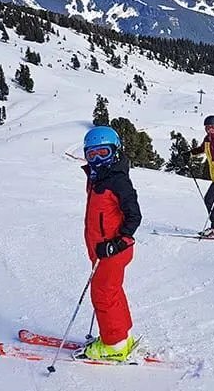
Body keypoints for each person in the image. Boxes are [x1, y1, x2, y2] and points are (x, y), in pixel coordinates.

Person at [78, 126, 142, 362]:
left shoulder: (117, 180)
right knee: (112, 290)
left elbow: (134, 216)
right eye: (91, 155)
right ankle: (121, 337)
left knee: (103, 294)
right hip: (101, 249)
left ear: (115, 152)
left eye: (103, 153)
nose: (97, 160)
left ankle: (113, 345)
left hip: (112, 250)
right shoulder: (99, 178)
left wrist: (118, 242)